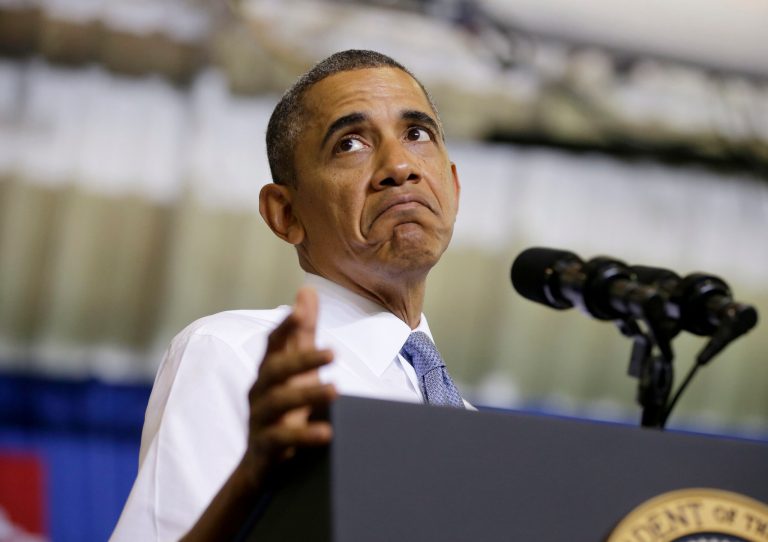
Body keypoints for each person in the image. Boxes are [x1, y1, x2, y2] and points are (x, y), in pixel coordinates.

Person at [111, 49, 466, 542]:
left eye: (417, 134)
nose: (400, 165)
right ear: (285, 213)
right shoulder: (237, 356)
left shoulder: (466, 424)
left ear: (452, 186)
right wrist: (250, 481)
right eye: (350, 143)